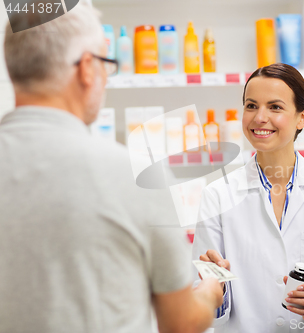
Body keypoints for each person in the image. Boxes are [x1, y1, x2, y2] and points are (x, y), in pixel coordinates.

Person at [0, 3, 222, 333]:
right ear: (87, 68)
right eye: (106, 64)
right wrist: (209, 291)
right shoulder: (134, 176)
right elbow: (181, 323)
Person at [192, 63, 304, 332]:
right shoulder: (217, 196)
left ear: (302, 117)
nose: (259, 118)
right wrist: (217, 289)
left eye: (275, 107)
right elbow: (203, 309)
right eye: (251, 106)